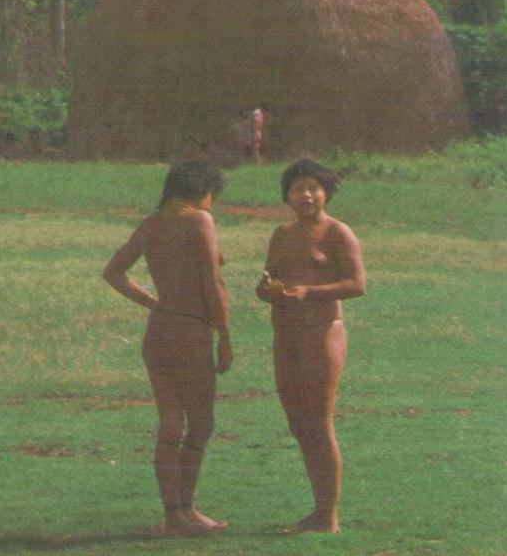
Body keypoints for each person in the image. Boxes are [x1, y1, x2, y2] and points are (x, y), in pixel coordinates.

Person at [102, 160, 232, 537]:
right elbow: (212, 282)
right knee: (202, 423)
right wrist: (224, 334)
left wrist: (152, 302)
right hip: (191, 330)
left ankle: (176, 513)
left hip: (159, 328)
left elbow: (112, 272)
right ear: (202, 190)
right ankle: (185, 509)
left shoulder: (151, 224)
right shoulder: (200, 221)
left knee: (170, 423)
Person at [256, 159, 365, 534]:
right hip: (285, 334)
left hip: (322, 333)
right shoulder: (281, 234)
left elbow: (356, 284)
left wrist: (310, 292)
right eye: (298, 188)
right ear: (287, 194)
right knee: (299, 423)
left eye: (313, 188)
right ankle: (318, 510)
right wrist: (266, 290)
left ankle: (327, 515)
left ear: (326, 193)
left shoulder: (338, 233)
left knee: (319, 422)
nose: (306, 195)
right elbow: (270, 279)